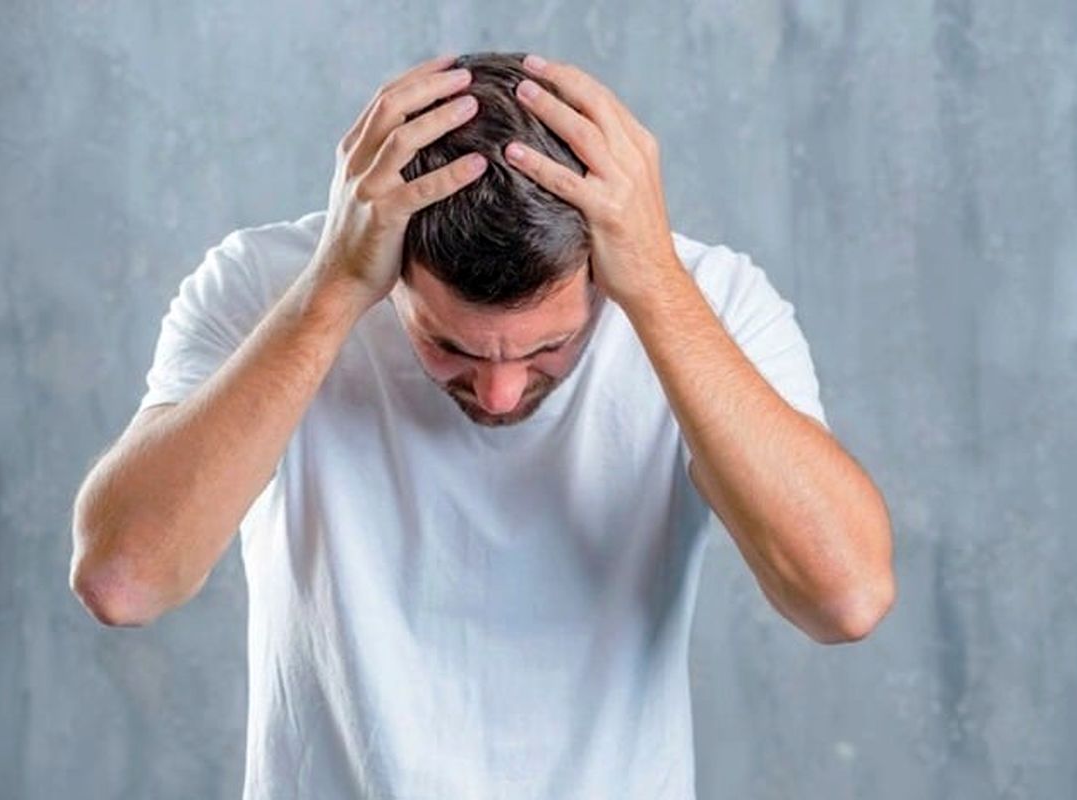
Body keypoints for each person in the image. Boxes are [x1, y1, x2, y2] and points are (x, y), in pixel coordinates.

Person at [70, 50, 895, 799]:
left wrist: (657, 288)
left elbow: (845, 599)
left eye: (548, 347)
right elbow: (124, 581)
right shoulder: (267, 288)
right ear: (393, 270)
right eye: (450, 345)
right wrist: (335, 290)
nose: (499, 395)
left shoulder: (706, 303)